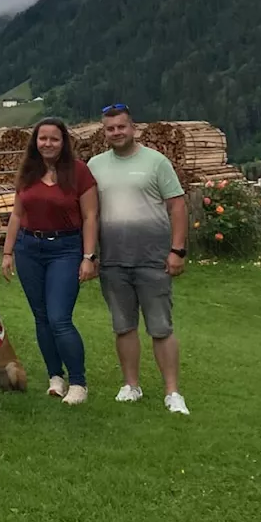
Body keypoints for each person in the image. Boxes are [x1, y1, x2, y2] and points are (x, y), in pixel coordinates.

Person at [88, 103, 190, 415]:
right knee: (123, 327)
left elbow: (178, 206)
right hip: (113, 261)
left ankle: (172, 392)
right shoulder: (94, 165)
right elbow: (89, 213)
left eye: (121, 126)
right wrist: (89, 255)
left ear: (134, 128)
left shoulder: (156, 162)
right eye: (110, 128)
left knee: (161, 327)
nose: (116, 132)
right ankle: (131, 385)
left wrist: (177, 250)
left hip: (153, 259)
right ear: (104, 132)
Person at [0, 117, 98, 406]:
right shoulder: (29, 171)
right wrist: (7, 253)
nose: (48, 144)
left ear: (63, 141)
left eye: (54, 139)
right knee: (41, 317)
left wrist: (88, 257)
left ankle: (78, 382)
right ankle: (56, 376)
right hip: (29, 247)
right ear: (36, 141)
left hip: (65, 249)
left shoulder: (79, 172)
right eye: (43, 138)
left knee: (59, 318)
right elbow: (17, 215)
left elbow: (91, 216)